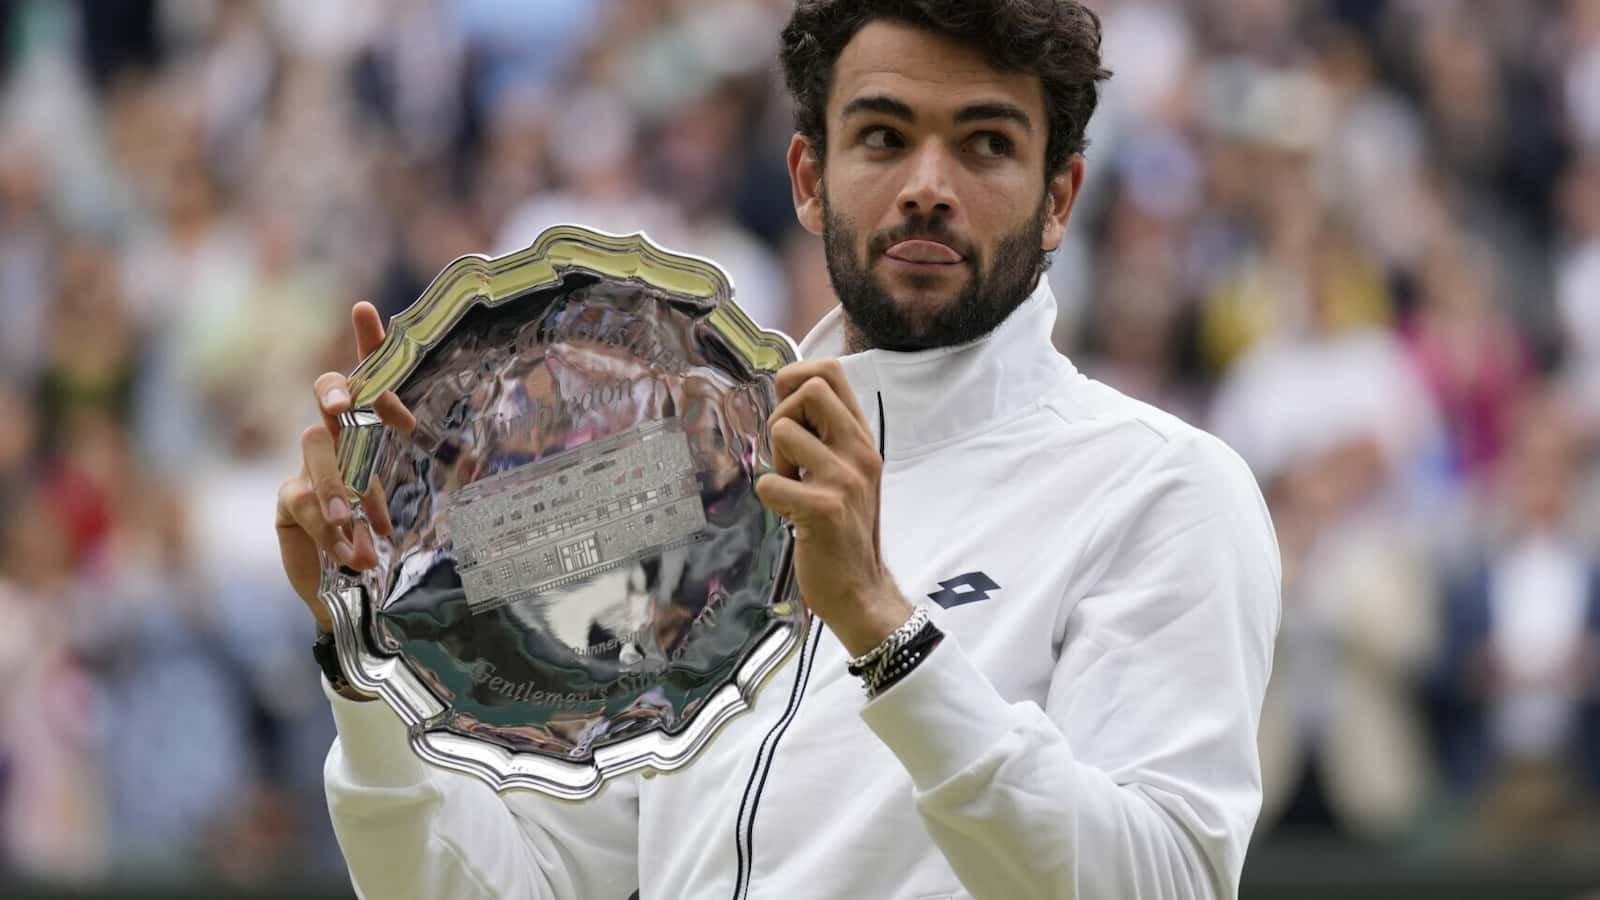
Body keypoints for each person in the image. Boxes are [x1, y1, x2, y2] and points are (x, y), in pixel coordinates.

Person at [273, 2, 1281, 897]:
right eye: (883, 137)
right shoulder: (663, 490)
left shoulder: (1162, 485)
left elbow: (1169, 881)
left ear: (1059, 198)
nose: (928, 186)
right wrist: (363, 643)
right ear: (809, 176)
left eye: (984, 146)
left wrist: (888, 635)